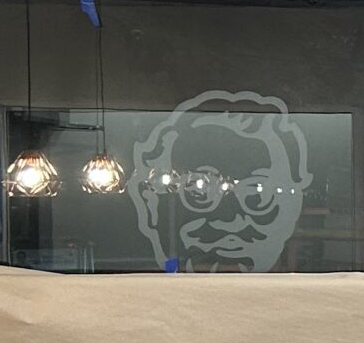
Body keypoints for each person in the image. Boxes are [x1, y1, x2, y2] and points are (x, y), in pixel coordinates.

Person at [131, 91, 311, 273]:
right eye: (199, 192)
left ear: (293, 208)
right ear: (150, 206)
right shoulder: (128, 286)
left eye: (258, 195)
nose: (230, 221)